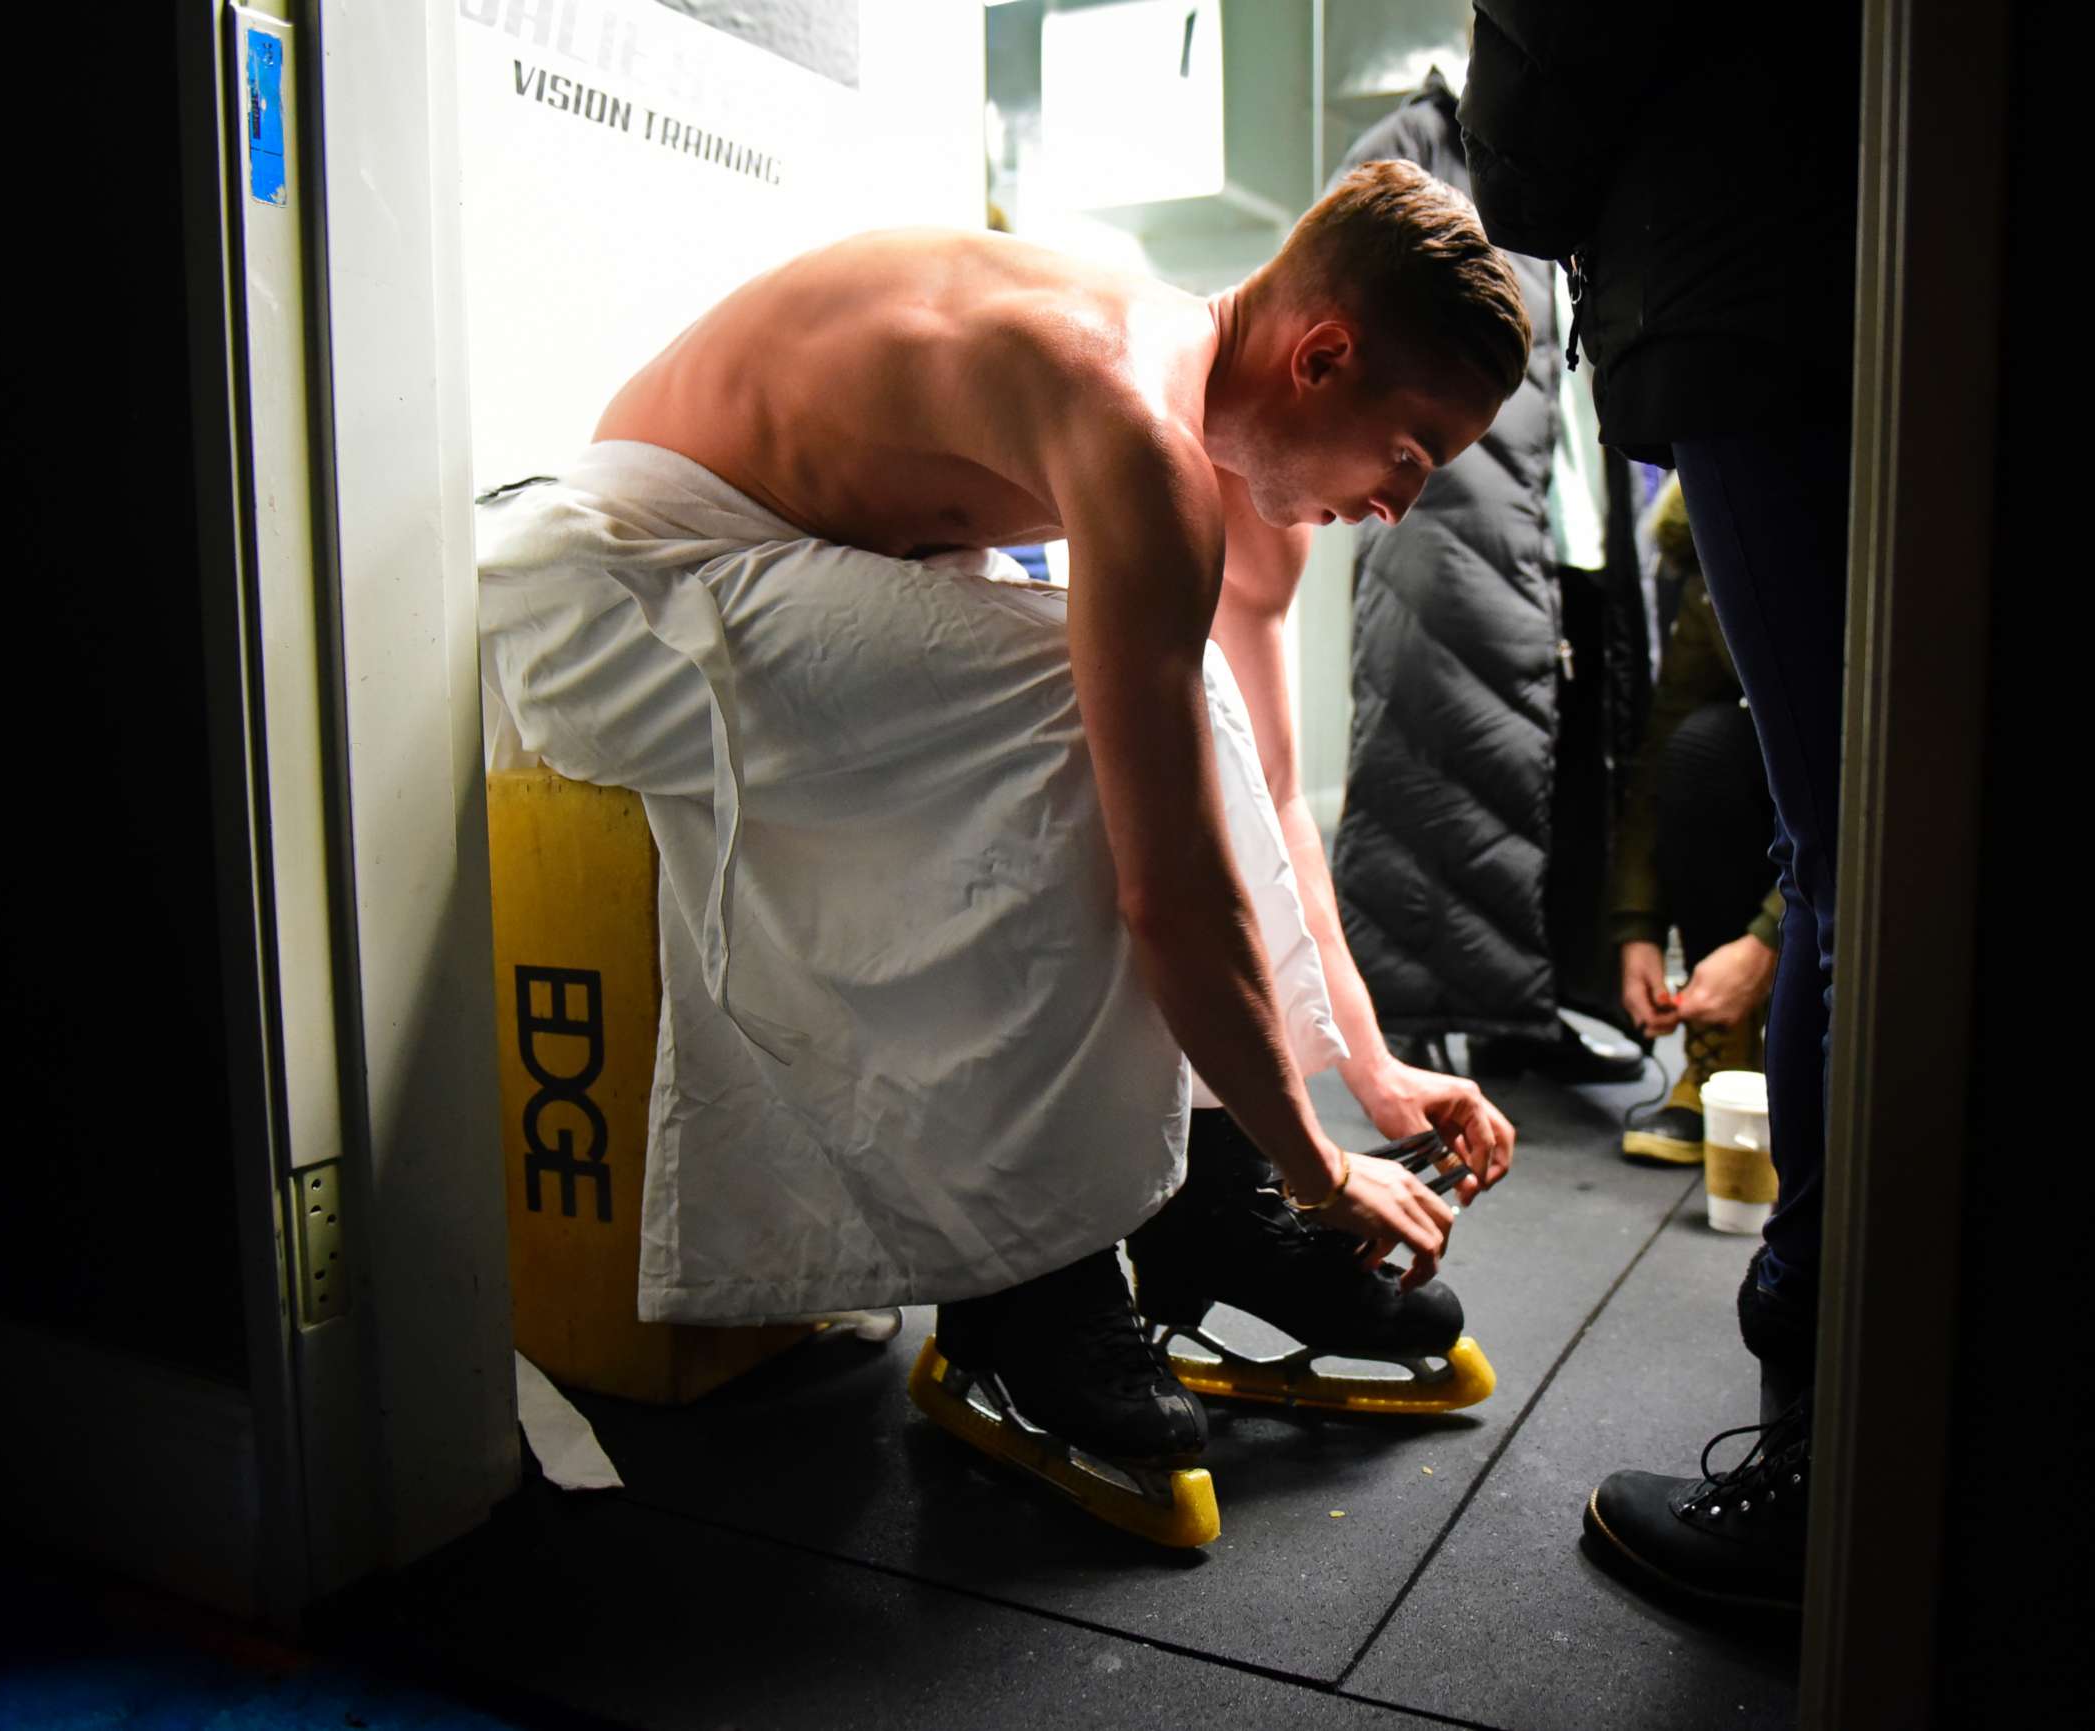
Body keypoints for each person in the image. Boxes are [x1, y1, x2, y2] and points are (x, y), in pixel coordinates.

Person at [477, 161, 1520, 1543]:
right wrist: (1324, 1167)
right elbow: (1169, 891)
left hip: (747, 551)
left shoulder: (1157, 363)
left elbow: (1227, 803)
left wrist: (1359, 1084)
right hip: (608, 584)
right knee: (1063, 728)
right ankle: (1021, 1286)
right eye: (1411, 451)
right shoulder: (1136, 423)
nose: (1398, 503)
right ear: (1324, 357)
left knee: (1170, 697)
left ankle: (1201, 1201)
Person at [1463, 0, 1861, 1609]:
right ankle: (1838, 1413)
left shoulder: (1736, 391)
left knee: (1843, 854)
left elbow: (1544, 104)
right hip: (1796, 261)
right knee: (1817, 817)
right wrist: (1635, 923)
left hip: (1744, 280)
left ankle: (1820, 1445)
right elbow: (1691, 719)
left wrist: (1765, 943)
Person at [1322, 69, 1644, 1087]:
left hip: (1562, 517)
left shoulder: (1576, 163)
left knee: (1549, 766)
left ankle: (1521, 1009)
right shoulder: (1415, 147)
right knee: (1438, 757)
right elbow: (1343, 311)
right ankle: (1413, 1014)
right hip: (1454, 520)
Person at [1610, 475, 1780, 1165]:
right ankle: (1722, 1055)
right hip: (1777, 781)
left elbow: (1862, 776)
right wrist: (1638, 929)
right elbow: (1662, 752)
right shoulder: (1715, 554)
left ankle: (1810, 1047)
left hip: (1869, 803)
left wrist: (1770, 940)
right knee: (1701, 748)